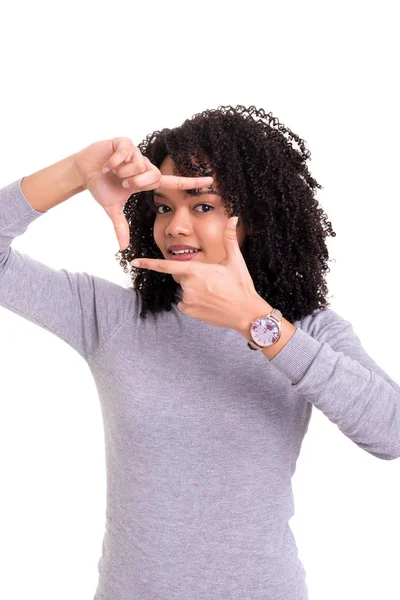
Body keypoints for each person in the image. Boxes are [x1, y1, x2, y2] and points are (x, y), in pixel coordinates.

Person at [0, 104, 399, 600]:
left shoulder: (305, 330)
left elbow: (391, 431)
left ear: (257, 216)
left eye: (202, 205)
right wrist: (76, 172)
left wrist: (257, 324)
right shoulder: (113, 316)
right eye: (164, 206)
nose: (176, 227)